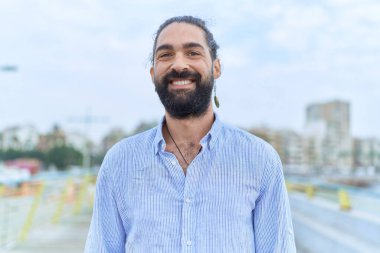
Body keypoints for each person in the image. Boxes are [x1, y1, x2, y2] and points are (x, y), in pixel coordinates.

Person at [85, 15, 296, 253]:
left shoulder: (260, 160)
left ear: (216, 67)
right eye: (166, 55)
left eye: (193, 52)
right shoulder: (119, 163)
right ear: (153, 73)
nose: (179, 65)